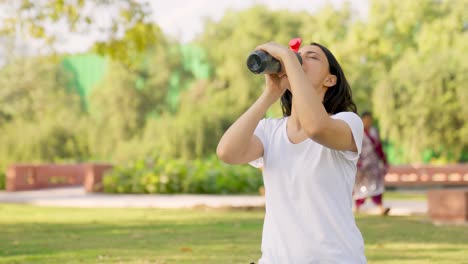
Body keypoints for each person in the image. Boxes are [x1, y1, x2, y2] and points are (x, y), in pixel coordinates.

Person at [217, 40, 366, 263]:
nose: (300, 59)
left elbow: (316, 127)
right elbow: (227, 152)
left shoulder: (347, 122)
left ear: (330, 79)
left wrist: (288, 59)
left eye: (312, 57)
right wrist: (270, 93)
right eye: (299, 55)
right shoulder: (270, 131)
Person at [353, 111, 390, 216]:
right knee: (360, 186)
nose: (368, 122)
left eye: (369, 120)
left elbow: (379, 147)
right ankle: (357, 207)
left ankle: (380, 207)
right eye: (366, 120)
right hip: (362, 165)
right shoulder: (358, 132)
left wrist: (384, 160)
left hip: (374, 164)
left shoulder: (374, 131)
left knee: (376, 185)